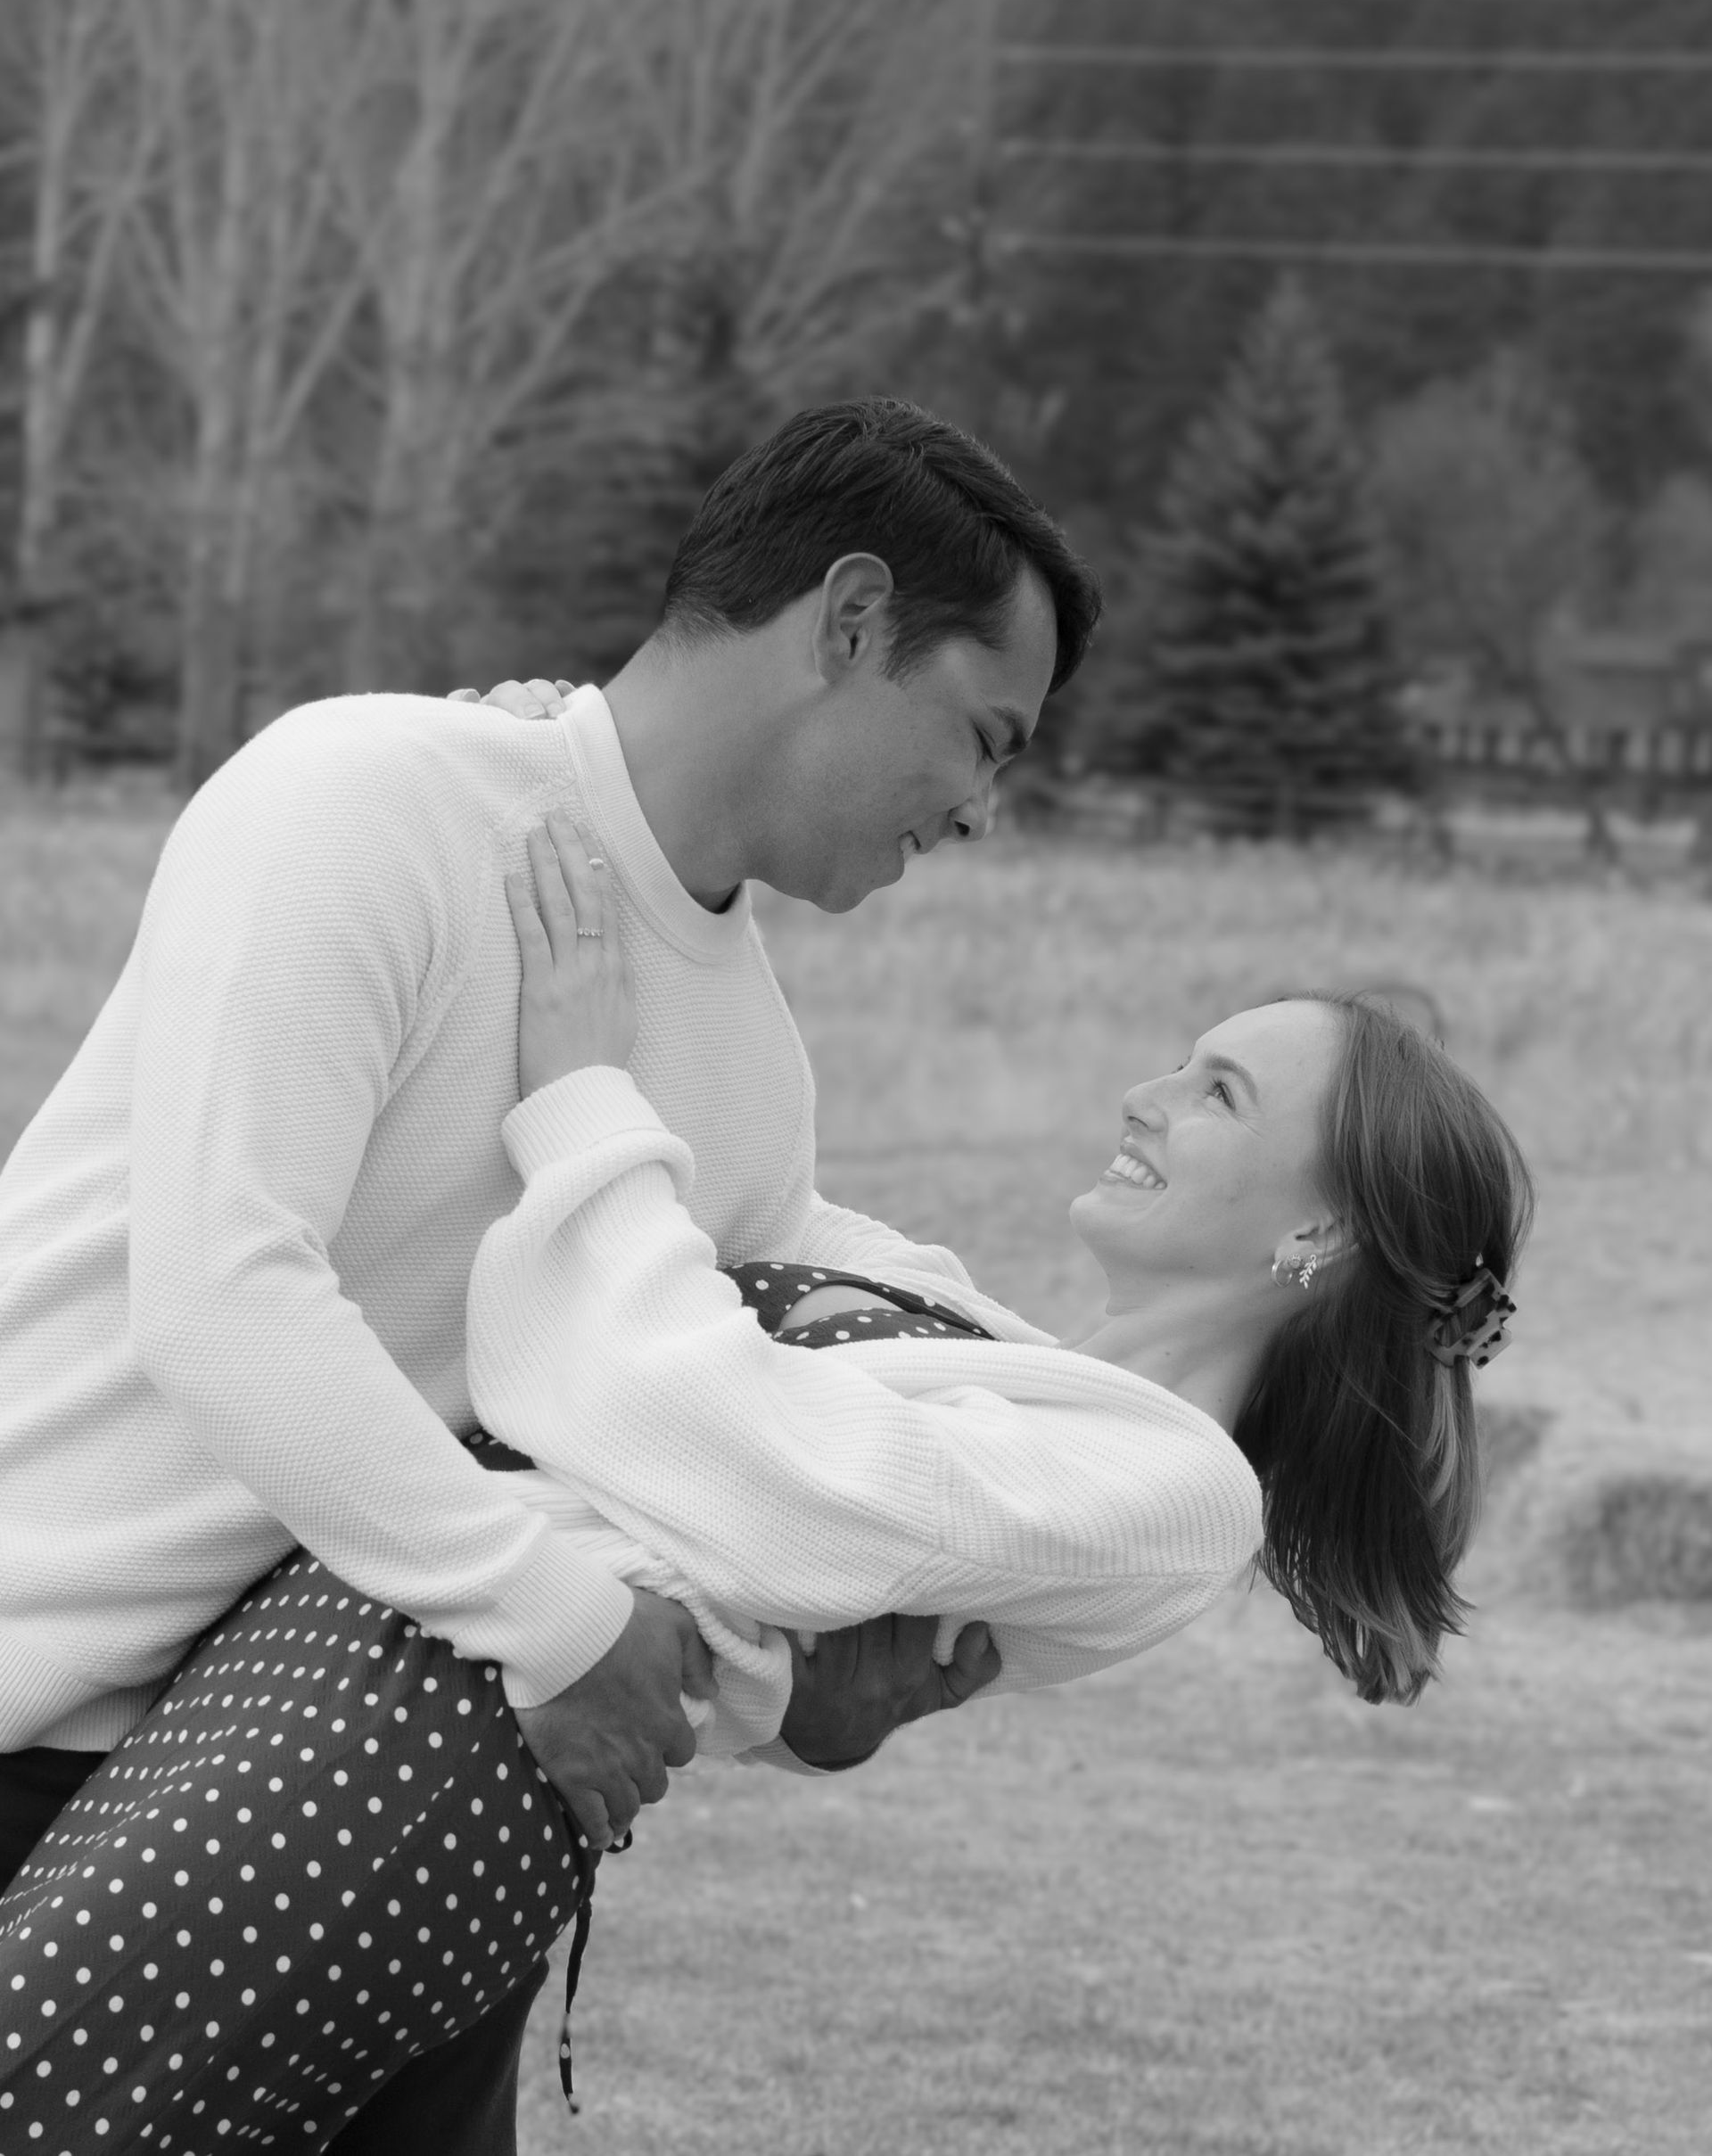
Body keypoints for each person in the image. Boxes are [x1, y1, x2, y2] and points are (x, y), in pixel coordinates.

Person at [0, 827, 1533, 2149]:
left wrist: (587, 1084)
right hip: (360, 1650)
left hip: (420, 1741)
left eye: (1217, 1093)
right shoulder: (984, 1337)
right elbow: (740, 1184)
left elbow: (708, 1437)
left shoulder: (1177, 1501)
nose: (1143, 1093)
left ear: (1318, 1242)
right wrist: (608, 813)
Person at [0, 398, 1100, 2151]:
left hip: (364, 1784)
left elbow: (652, 1441)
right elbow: (222, 1296)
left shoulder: (751, 1068)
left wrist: (793, 1680)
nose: (979, 807)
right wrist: (560, 1621)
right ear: (847, 618)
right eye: (983, 736)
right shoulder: (365, 796)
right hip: (40, 1723)